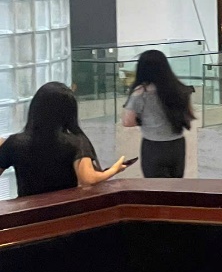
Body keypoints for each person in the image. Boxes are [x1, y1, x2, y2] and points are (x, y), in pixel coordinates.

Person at [0, 82, 129, 195]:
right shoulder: (76, 142)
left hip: (27, 211)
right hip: (64, 209)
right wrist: (113, 170)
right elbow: (88, 179)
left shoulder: (14, 143)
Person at [122, 49, 195, 178]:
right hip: (177, 145)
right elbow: (188, 115)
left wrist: (143, 120)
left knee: (155, 187)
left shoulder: (141, 93)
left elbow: (127, 122)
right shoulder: (180, 89)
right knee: (176, 186)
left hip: (153, 146)